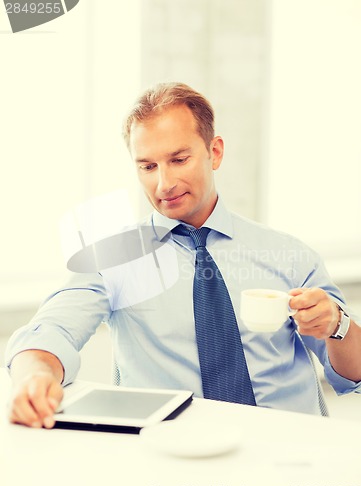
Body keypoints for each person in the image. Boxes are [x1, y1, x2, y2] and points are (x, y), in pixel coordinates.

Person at [5, 82, 361, 428]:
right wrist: (34, 375)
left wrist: (337, 325)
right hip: (172, 453)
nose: (164, 184)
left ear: (214, 152)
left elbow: (353, 374)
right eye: (147, 166)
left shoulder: (288, 254)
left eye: (178, 159)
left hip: (289, 451)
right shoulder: (114, 257)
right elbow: (51, 330)